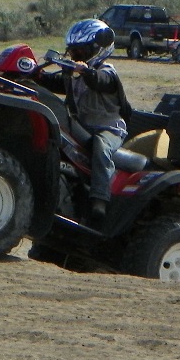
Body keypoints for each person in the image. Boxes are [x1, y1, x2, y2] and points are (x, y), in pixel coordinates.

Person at [34, 19, 130, 227]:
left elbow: (98, 80)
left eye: (82, 52)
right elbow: (56, 83)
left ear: (98, 49)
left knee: (101, 147)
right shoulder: (73, 74)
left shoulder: (107, 72)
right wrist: (36, 75)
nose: (76, 57)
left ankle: (99, 200)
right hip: (81, 126)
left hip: (108, 128)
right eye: (74, 52)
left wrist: (85, 71)